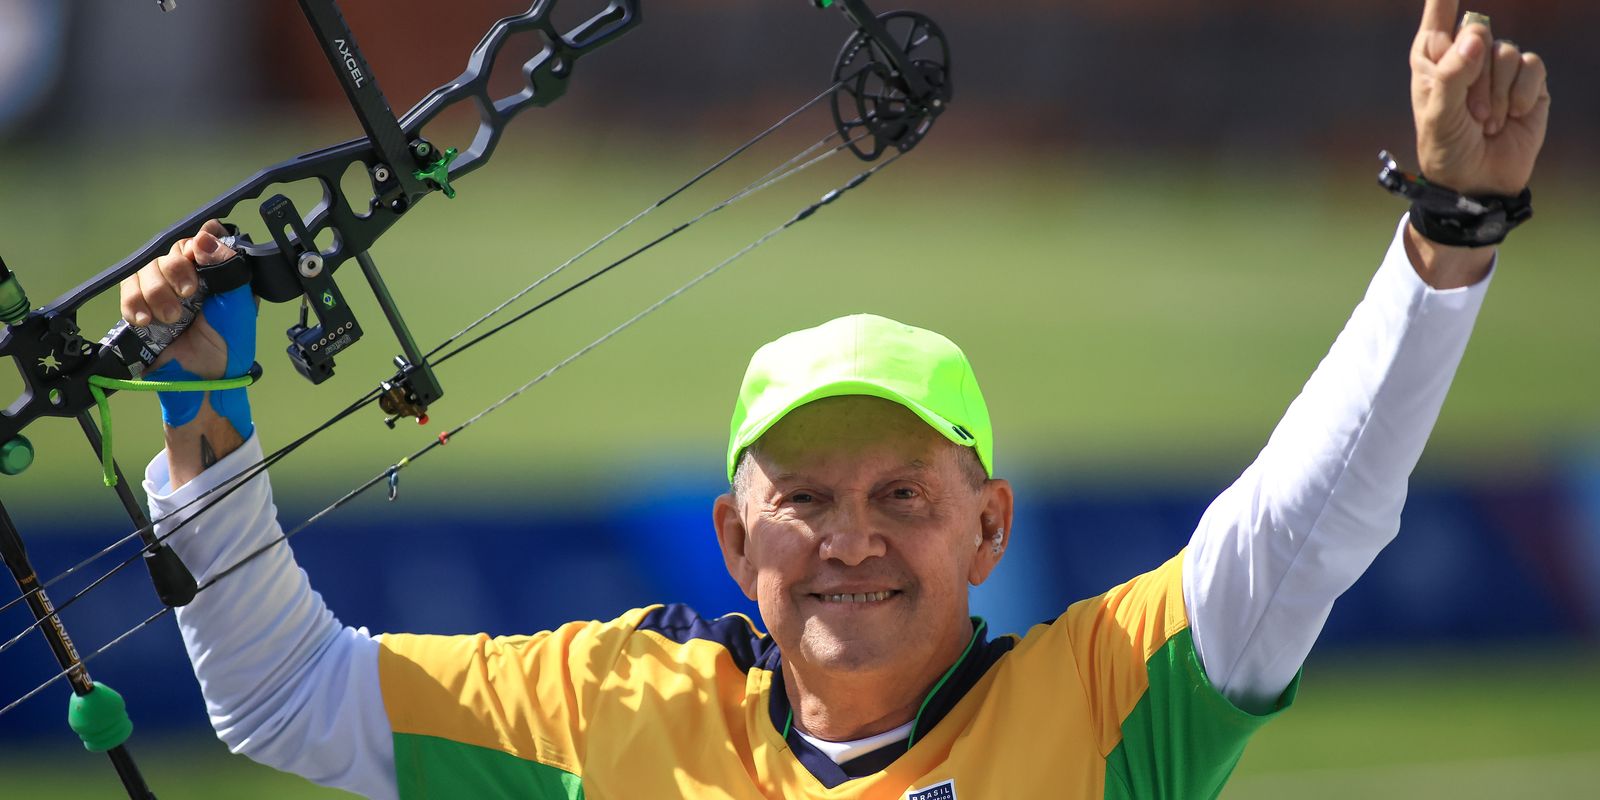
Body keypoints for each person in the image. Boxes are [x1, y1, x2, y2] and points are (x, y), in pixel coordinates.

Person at [121, 1, 1548, 797]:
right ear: (735, 540)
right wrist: (204, 410)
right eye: (802, 497)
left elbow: (1308, 522)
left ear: (989, 528)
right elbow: (285, 695)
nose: (850, 538)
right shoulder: (610, 711)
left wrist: (1448, 236)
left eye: (903, 495)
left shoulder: (1111, 706)